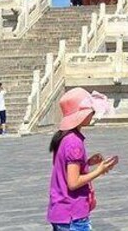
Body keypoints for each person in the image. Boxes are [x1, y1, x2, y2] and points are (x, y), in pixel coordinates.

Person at [47, 87, 116, 230]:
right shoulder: (74, 142)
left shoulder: (64, 137)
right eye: (90, 110)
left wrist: (87, 162)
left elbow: (66, 169)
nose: (93, 113)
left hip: (60, 211)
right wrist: (99, 170)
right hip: (72, 215)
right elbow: (73, 182)